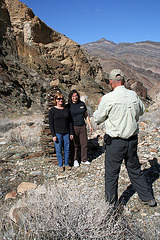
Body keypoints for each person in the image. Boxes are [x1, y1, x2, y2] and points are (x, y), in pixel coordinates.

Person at [93, 69, 157, 207]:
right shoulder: (133, 95)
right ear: (123, 80)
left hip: (115, 142)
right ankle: (147, 198)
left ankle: (111, 206)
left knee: (112, 174)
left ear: (110, 82)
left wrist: (100, 106)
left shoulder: (108, 98)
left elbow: (98, 118)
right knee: (134, 169)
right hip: (132, 141)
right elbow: (140, 112)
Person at [49, 92, 74, 172]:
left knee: (67, 149)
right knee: (59, 150)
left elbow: (70, 122)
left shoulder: (66, 109)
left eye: (62, 99)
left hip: (66, 132)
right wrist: (53, 135)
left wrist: (71, 133)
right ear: (55, 100)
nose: (60, 100)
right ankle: (60, 165)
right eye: (58, 99)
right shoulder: (52, 110)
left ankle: (66, 164)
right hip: (57, 133)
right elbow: (51, 123)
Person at [68, 90, 93, 167]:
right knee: (75, 144)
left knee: (84, 143)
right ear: (71, 97)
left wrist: (90, 125)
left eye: (76, 96)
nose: (75, 97)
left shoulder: (82, 104)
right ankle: (75, 160)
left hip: (82, 126)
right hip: (74, 127)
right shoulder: (68, 106)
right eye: (73, 96)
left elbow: (86, 115)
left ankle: (84, 159)